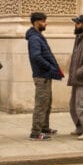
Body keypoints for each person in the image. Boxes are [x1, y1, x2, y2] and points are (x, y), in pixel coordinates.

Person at [26, 12, 63, 140]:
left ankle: (44, 127)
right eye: (43, 21)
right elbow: (36, 56)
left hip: (45, 75)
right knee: (41, 104)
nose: (45, 23)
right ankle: (36, 132)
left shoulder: (37, 36)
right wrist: (49, 67)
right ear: (36, 22)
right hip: (42, 75)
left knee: (47, 103)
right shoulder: (34, 38)